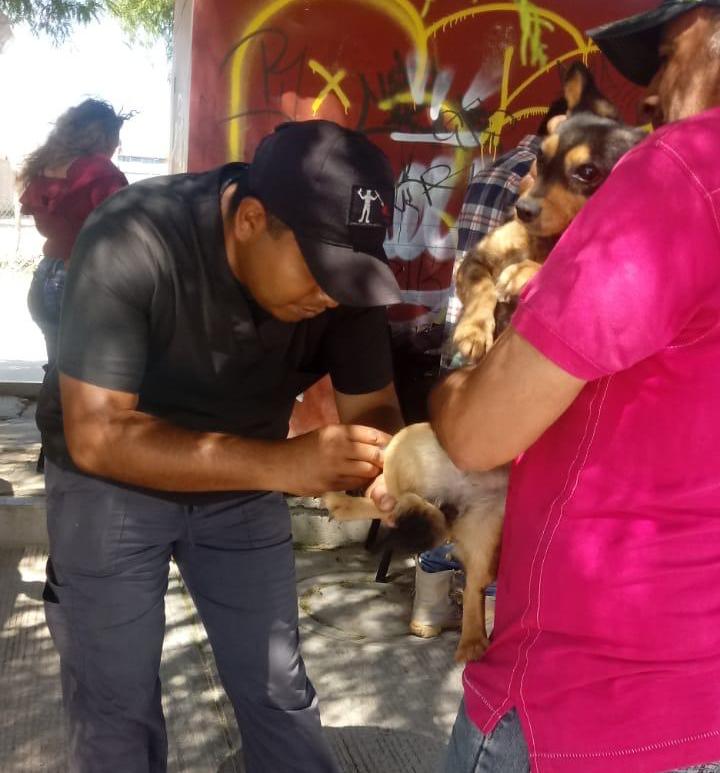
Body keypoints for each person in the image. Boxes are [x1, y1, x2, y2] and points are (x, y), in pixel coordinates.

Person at [39, 119, 405, 773]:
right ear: (251, 220)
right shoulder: (133, 234)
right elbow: (97, 436)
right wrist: (285, 463)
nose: (332, 295)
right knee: (114, 704)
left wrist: (385, 467)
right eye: (321, 271)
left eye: (349, 277)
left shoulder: (338, 286)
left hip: (243, 482)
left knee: (278, 690)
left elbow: (376, 410)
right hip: (111, 482)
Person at [429, 1, 720, 771]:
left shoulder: (682, 172)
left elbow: (476, 432)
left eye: (665, 56)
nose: (650, 94)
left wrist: (455, 375)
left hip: (592, 705)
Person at [410, 100, 568, 642]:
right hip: (506, 359)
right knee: (500, 496)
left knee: (457, 488)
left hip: (464, 345)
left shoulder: (492, 169)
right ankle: (493, 615)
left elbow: (469, 263)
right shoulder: (547, 186)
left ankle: (430, 605)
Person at [18, 99, 129, 366]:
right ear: (104, 136)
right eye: (116, 136)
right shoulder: (99, 172)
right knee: (84, 374)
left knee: (57, 368)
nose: (117, 145)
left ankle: (52, 394)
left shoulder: (45, 167)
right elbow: (126, 225)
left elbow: (44, 224)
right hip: (80, 278)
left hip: (45, 276)